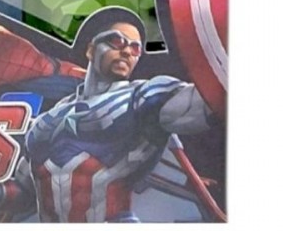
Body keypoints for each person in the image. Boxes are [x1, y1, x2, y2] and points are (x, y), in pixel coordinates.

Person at [22, 14, 217, 223]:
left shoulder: (142, 99)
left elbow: (209, 101)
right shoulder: (46, 122)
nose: (127, 51)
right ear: (91, 49)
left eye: (135, 48)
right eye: (117, 41)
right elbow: (21, 188)